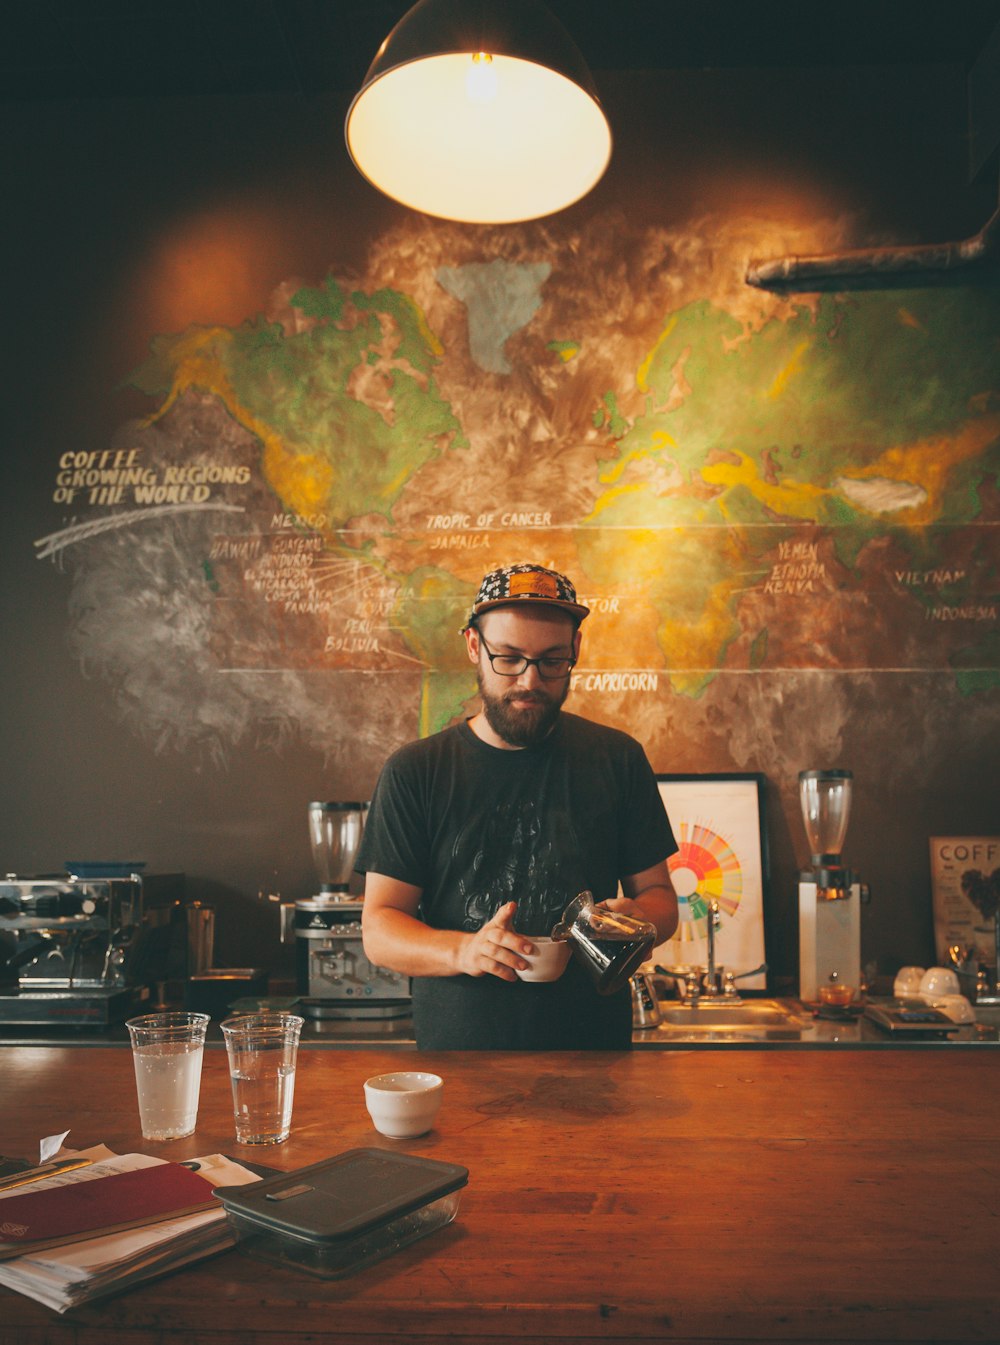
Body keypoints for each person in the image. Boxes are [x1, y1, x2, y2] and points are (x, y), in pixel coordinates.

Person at [356, 562, 679, 1049]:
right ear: (473, 646)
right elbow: (379, 928)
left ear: (575, 650)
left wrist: (637, 921)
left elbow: (661, 897)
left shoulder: (617, 759)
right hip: (459, 1062)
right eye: (508, 658)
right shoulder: (416, 771)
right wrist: (467, 950)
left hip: (595, 1061)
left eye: (551, 661)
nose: (530, 681)